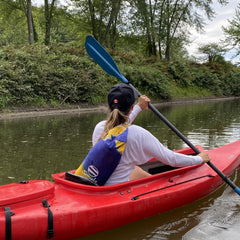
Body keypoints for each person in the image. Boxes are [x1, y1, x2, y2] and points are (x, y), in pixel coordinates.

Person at [75, 83, 211, 186]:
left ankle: (152, 183)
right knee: (137, 170)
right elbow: (171, 159)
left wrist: (140, 107)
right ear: (131, 108)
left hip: (98, 182)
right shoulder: (138, 135)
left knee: (136, 170)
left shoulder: (99, 128)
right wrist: (199, 159)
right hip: (117, 190)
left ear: (109, 106)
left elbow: (120, 128)